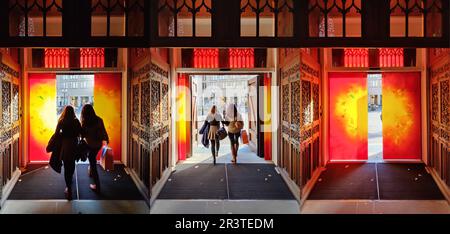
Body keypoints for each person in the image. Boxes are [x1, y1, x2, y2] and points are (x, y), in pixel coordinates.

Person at [54, 105, 81, 200]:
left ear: (65, 112)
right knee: (72, 164)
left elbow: (56, 133)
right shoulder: (76, 121)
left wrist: (62, 135)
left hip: (65, 145)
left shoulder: (62, 121)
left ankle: (69, 189)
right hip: (74, 145)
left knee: (66, 166)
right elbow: (80, 133)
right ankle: (70, 178)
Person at [81, 104, 109, 193]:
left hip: (89, 144)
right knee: (91, 158)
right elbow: (104, 132)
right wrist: (106, 141)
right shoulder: (99, 120)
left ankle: (97, 186)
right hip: (97, 145)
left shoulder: (85, 122)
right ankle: (91, 171)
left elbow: (83, 134)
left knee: (93, 163)